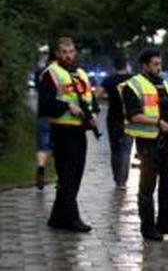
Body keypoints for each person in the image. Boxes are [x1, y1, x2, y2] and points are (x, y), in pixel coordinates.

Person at [120, 48, 168, 241]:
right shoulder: (133, 85)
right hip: (147, 143)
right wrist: (157, 122)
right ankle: (148, 229)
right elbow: (133, 115)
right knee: (147, 187)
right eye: (155, 64)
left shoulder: (163, 83)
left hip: (165, 144)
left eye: (160, 64)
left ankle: (165, 223)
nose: (159, 68)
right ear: (145, 65)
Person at [39, 37, 99, 232]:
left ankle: (57, 218)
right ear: (57, 54)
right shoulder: (51, 74)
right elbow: (45, 105)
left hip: (79, 130)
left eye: (71, 51)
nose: (68, 55)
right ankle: (72, 219)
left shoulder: (80, 73)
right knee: (67, 176)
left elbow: (89, 97)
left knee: (75, 174)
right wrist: (67, 106)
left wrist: (94, 113)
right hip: (62, 129)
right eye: (64, 52)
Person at [97, 56, 132, 189]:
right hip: (129, 119)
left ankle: (117, 178)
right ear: (126, 65)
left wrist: (108, 96)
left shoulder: (109, 80)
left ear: (114, 66)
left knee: (115, 150)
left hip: (113, 119)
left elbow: (98, 95)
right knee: (126, 150)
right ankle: (123, 182)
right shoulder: (132, 79)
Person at [34, 48, 54, 190]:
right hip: (57, 115)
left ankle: (41, 166)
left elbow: (37, 88)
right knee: (55, 145)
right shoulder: (60, 74)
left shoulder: (39, 73)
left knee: (42, 145)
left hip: (42, 113)